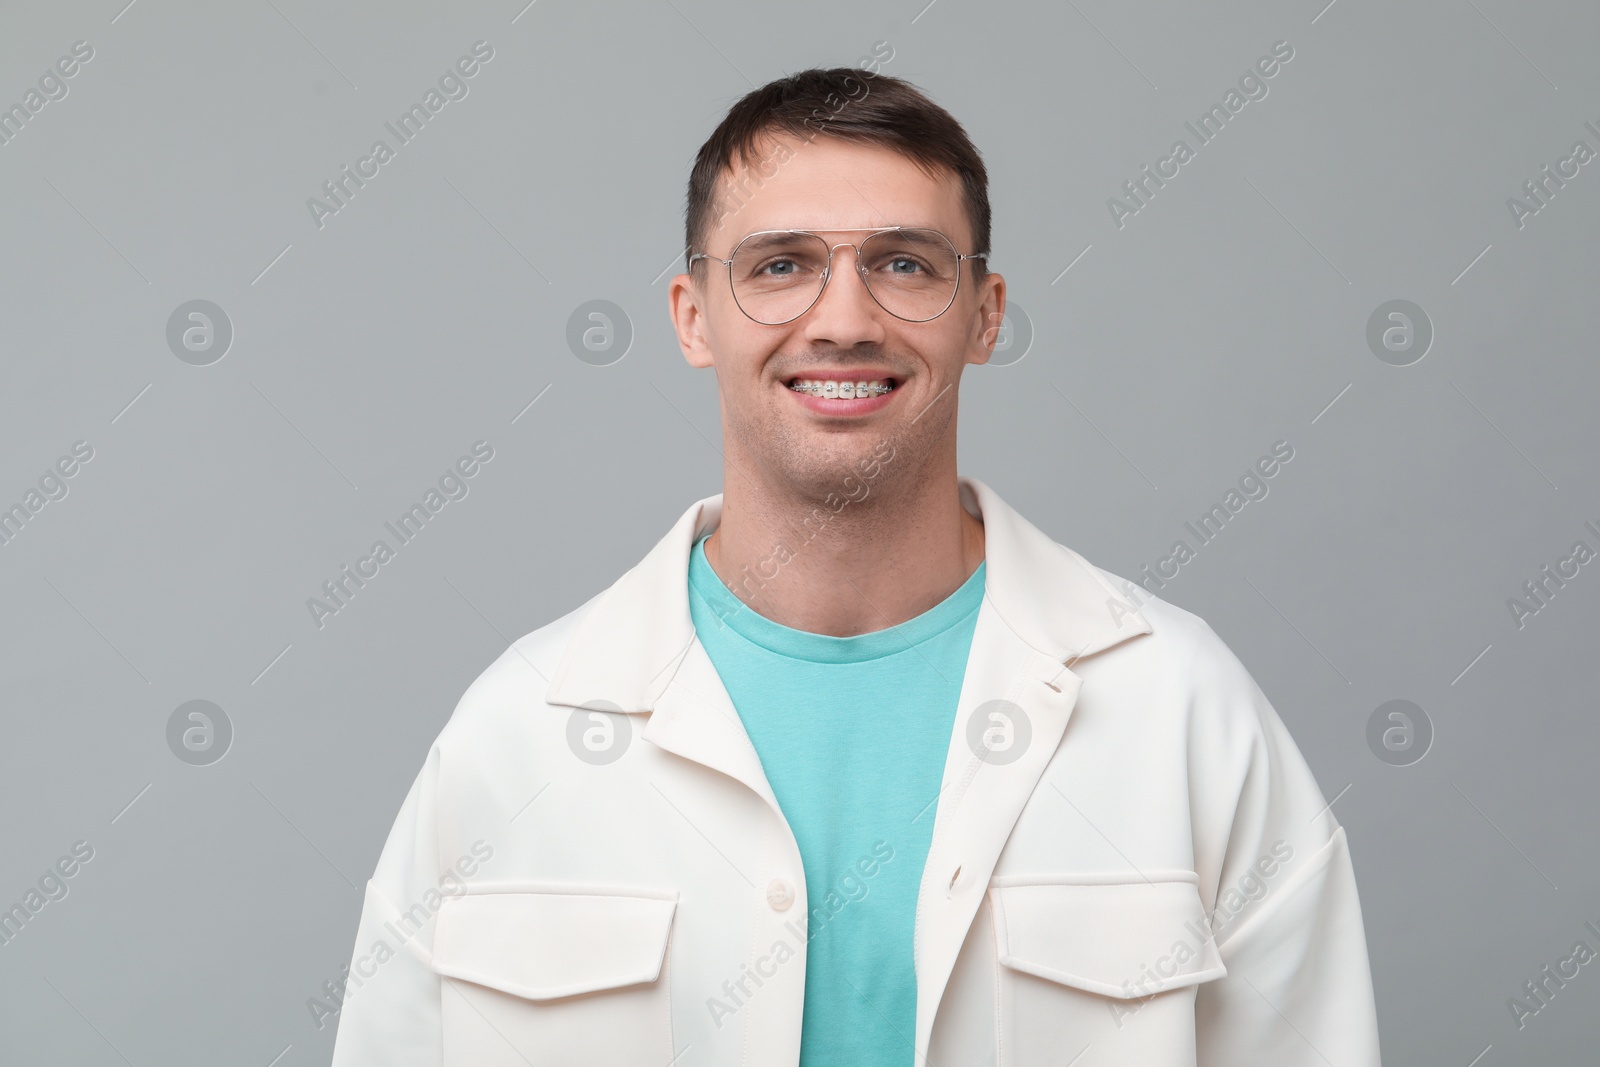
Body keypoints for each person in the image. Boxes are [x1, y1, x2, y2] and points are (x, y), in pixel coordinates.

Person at [329, 66, 1382, 1067]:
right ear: (693, 317)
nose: (842, 320)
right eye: (780, 264)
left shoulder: (1178, 708)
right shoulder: (519, 737)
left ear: (986, 314)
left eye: (905, 263)